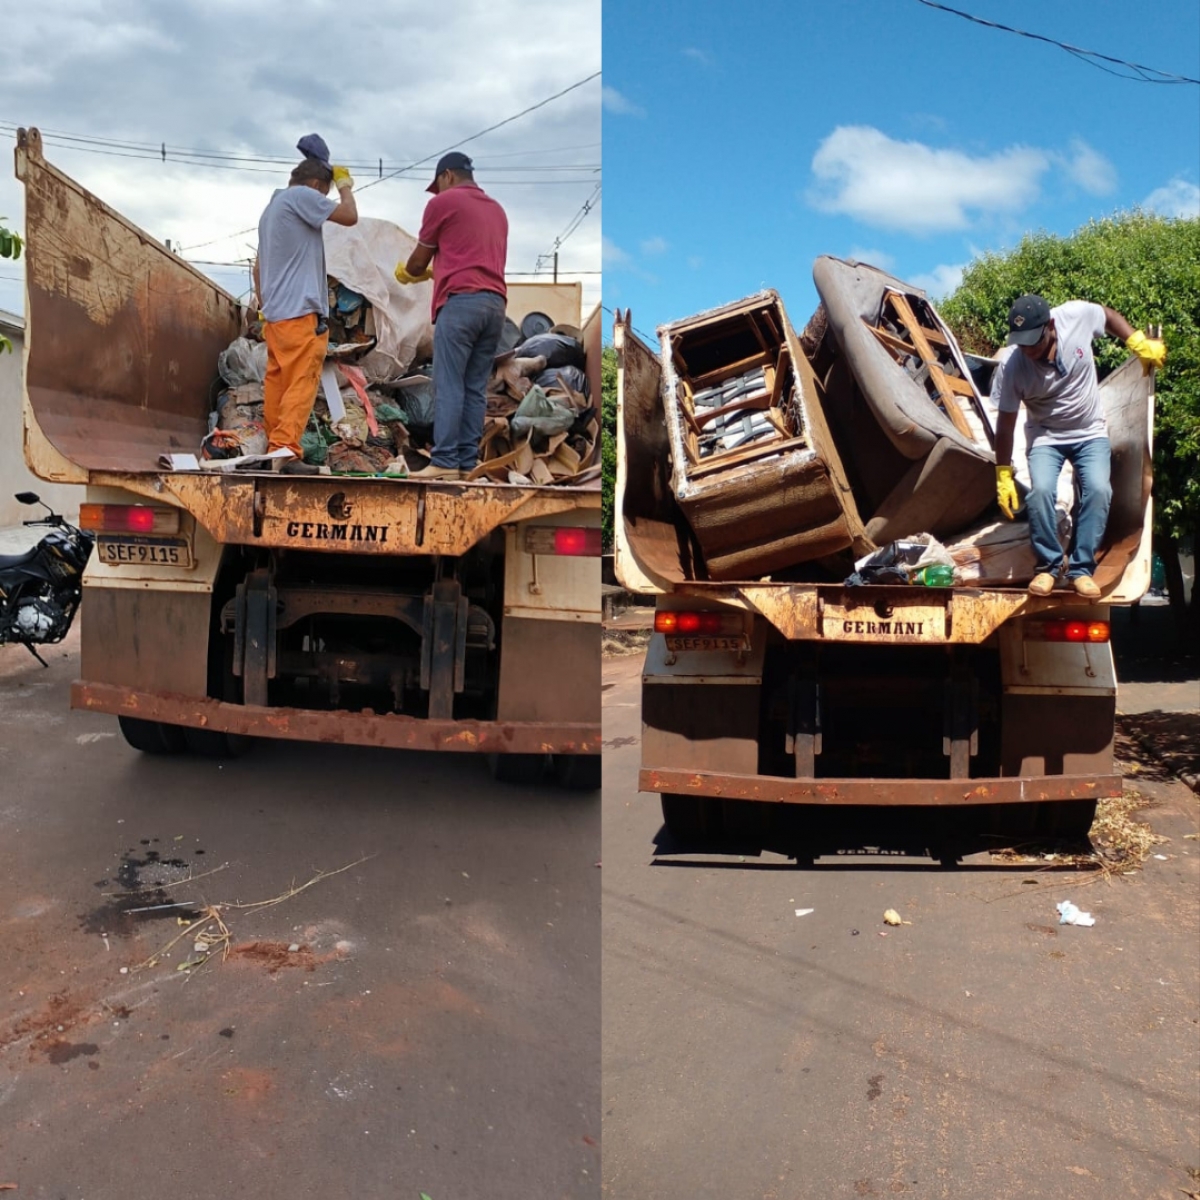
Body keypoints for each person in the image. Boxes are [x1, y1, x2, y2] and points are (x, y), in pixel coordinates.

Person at [992, 293, 1165, 599]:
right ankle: (1048, 567)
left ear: (1051, 326)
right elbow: (1005, 425)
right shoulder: (1013, 366)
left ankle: (1081, 570)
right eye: (1022, 342)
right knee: (1041, 492)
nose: (1028, 349)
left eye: (1033, 340)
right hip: (1046, 436)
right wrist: (1002, 471)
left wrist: (1136, 341)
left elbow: (1109, 315)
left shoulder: (1075, 316)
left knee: (1099, 490)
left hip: (1089, 431)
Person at [394, 151, 508, 481]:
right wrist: (440, 271)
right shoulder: (498, 211)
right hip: (495, 306)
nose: (437, 192)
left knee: (449, 385)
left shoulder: (443, 204)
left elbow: (418, 260)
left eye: (438, 185)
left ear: (447, 176)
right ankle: (468, 463)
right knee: (474, 388)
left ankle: (444, 460)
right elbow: (470, 253)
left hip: (460, 304)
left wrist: (410, 272)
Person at [253, 137, 358, 475]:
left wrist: (265, 304)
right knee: (301, 381)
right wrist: (344, 187)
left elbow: (258, 267)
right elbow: (350, 216)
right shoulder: (302, 197)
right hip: (301, 314)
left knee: (278, 384)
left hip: (277, 316)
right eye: (322, 194)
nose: (321, 202)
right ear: (315, 186)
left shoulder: (272, 209)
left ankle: (274, 449)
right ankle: (285, 451)